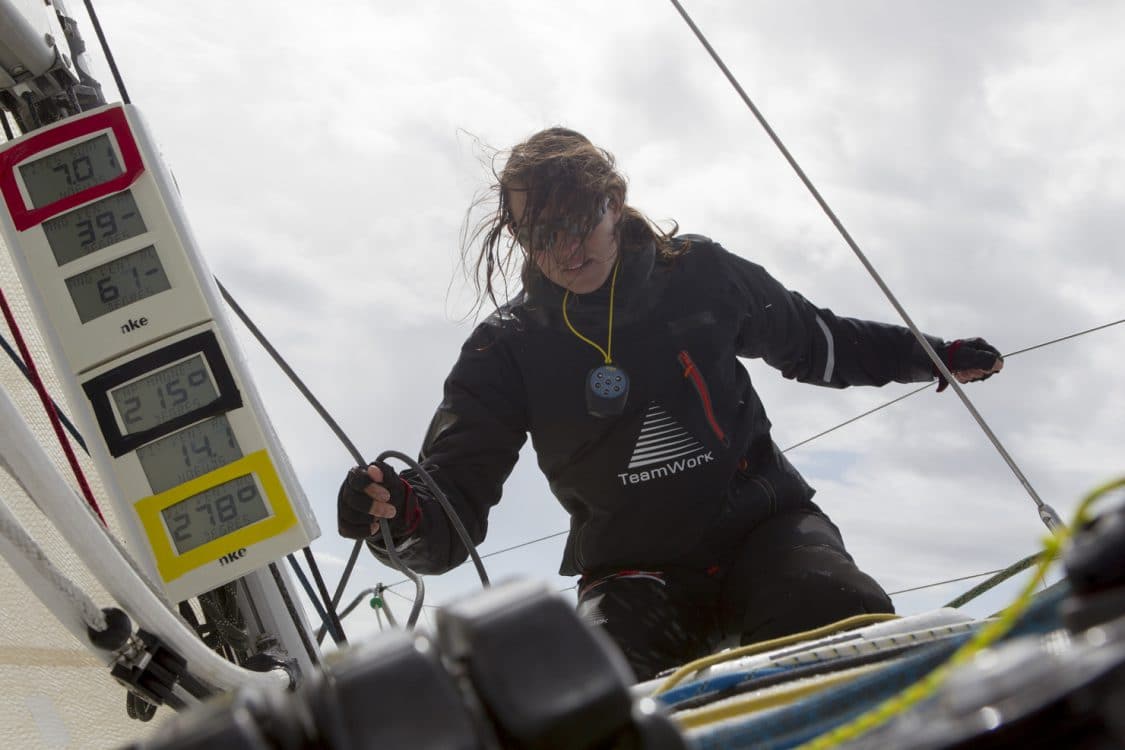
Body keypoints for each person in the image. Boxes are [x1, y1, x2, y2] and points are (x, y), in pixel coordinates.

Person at [337, 127, 1003, 681]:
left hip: (762, 530)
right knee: (593, 692)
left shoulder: (699, 275)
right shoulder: (505, 348)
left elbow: (814, 340)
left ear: (614, 200)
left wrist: (928, 354)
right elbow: (452, 501)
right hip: (633, 570)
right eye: (539, 233)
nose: (564, 251)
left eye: (576, 222)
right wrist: (400, 516)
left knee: (839, 610)